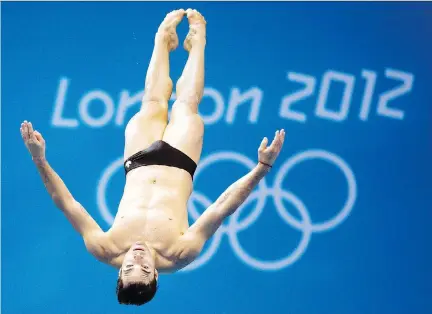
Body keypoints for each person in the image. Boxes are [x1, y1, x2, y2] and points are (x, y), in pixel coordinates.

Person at [20, 8, 286, 306]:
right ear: (156, 276)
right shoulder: (180, 253)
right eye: (145, 269)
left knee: (152, 102)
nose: (137, 259)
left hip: (137, 160)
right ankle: (197, 43)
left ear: (119, 273)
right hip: (180, 161)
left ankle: (163, 40)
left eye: (129, 268)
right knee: (186, 105)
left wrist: (39, 160)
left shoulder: (104, 247)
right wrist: (262, 167)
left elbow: (66, 203)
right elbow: (221, 208)